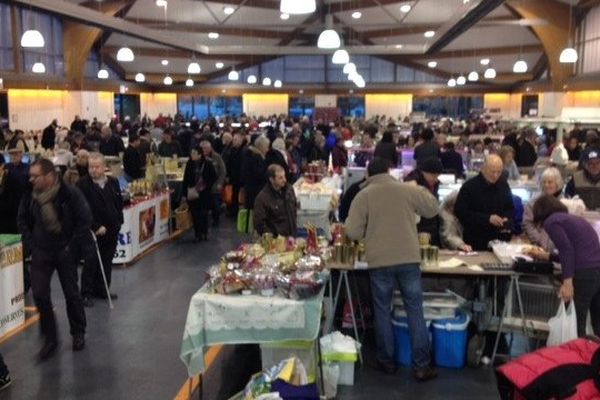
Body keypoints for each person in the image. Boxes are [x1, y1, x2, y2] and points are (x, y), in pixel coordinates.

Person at [345, 157, 439, 381]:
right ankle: (421, 366)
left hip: (380, 261)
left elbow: (352, 233)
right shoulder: (406, 189)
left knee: (382, 311)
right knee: (415, 310)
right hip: (408, 258)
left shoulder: (363, 195)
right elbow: (433, 208)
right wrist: (419, 189)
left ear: (368, 174)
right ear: (388, 171)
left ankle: (387, 362)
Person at [17, 158, 91, 360]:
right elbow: (22, 220)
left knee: (71, 293)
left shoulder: (69, 194)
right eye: (30, 175)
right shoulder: (30, 196)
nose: (31, 179)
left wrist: (72, 246)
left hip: (65, 250)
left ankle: (78, 333)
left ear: (49, 176)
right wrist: (31, 244)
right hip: (41, 251)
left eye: (35, 176)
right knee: (40, 294)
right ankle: (51, 338)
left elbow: (84, 219)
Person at [527, 195, 600, 337]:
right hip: (597, 272)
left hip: (583, 276)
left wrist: (568, 283)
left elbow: (566, 249)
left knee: (576, 325)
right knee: (597, 324)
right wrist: (547, 256)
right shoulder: (575, 219)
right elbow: (575, 252)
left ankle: (577, 357)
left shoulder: (551, 221)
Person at [77, 153, 123, 306]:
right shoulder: (82, 185)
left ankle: (102, 288)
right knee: (91, 262)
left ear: (104, 167)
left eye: (97, 167)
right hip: (93, 230)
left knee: (107, 260)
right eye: (91, 167)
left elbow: (118, 202)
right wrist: (95, 226)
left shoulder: (113, 182)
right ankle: (86, 293)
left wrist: (119, 221)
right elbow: (81, 209)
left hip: (111, 229)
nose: (93, 170)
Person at [454, 154, 514, 251]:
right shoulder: (469, 187)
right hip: (476, 241)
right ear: (483, 168)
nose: (495, 175)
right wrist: (487, 219)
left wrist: (507, 218)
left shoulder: (503, 185)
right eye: (492, 172)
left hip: (500, 240)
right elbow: (461, 213)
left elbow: (510, 207)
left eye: (499, 172)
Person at [522, 167, 564, 252]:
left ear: (557, 183)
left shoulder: (565, 202)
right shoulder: (533, 203)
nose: (546, 185)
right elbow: (527, 223)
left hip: (559, 246)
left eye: (550, 182)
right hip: (537, 245)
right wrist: (539, 240)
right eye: (544, 182)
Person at [405, 157, 443, 246]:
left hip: (431, 225)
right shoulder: (413, 180)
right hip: (419, 228)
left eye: (437, 176)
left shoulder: (433, 183)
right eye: (433, 175)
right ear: (424, 172)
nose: (435, 179)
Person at [182, 148, 217, 241]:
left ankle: (204, 232)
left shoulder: (207, 164)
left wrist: (206, 185)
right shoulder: (189, 164)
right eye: (191, 153)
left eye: (194, 153)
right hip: (192, 193)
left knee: (203, 214)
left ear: (200, 155)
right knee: (194, 214)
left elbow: (213, 177)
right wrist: (184, 194)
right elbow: (185, 179)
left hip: (204, 194)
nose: (192, 155)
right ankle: (197, 234)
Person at [253, 164, 297, 237]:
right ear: (271, 179)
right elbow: (259, 223)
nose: (284, 180)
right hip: (275, 242)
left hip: (291, 237)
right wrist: (273, 237)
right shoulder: (262, 198)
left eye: (284, 176)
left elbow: (294, 208)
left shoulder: (289, 190)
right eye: (280, 178)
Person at [200, 140, 226, 227]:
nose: (205, 150)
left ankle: (216, 220)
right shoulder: (199, 158)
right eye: (203, 148)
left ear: (210, 148)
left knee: (215, 205)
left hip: (215, 186)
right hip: (203, 186)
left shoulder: (217, 157)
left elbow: (222, 171)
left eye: (206, 148)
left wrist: (220, 183)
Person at [241, 135, 269, 210]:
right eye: (266, 147)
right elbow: (260, 175)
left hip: (250, 190)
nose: (267, 149)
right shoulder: (257, 158)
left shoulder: (249, 155)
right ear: (261, 147)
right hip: (256, 191)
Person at [226, 132, 245, 216]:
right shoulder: (232, 150)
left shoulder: (243, 152)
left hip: (239, 178)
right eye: (233, 140)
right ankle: (233, 211)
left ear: (240, 141)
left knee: (238, 195)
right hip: (234, 177)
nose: (233, 141)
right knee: (234, 194)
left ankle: (236, 211)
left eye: (235, 140)